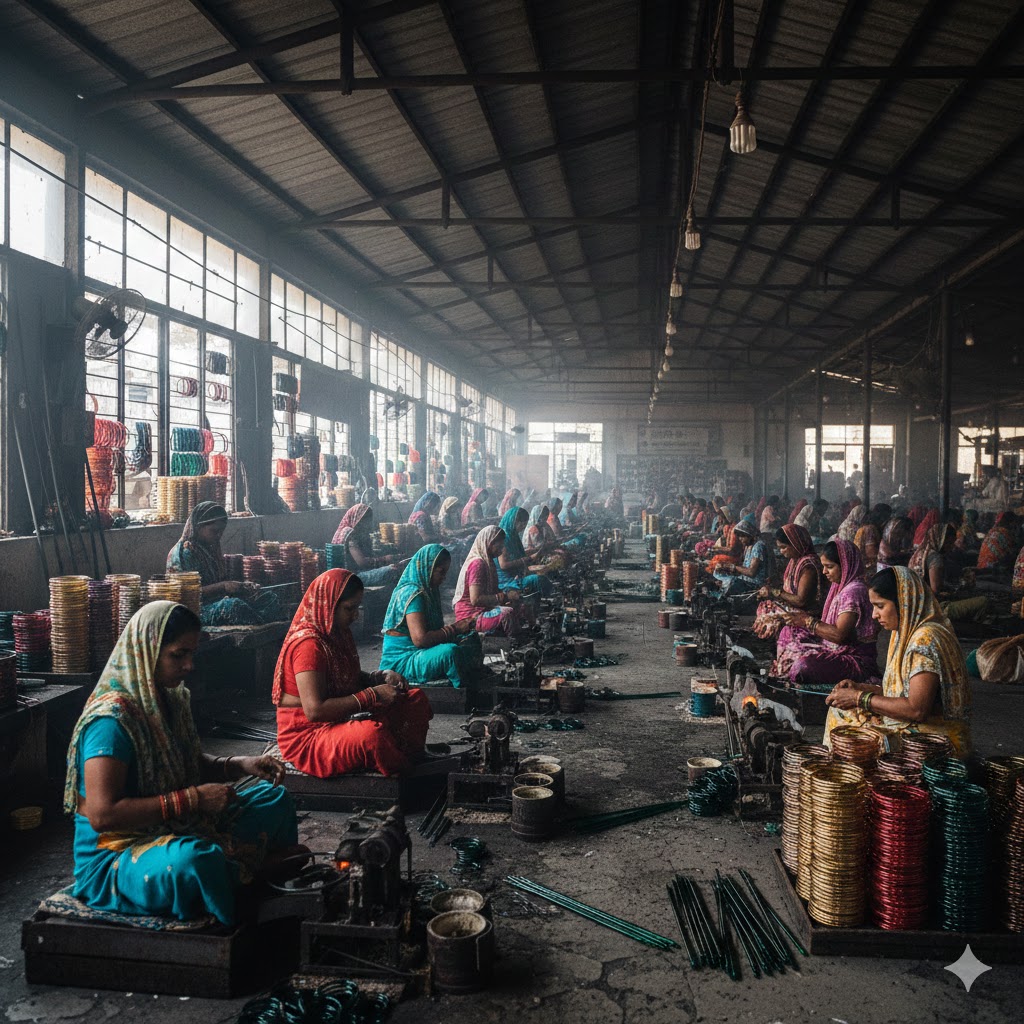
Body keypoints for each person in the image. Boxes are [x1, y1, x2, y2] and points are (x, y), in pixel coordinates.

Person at [65, 603, 297, 926]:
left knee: (277, 800)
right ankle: (246, 880)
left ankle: (242, 874)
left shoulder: (170, 698)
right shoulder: (110, 722)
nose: (189, 665)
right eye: (178, 655)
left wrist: (240, 764)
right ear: (146, 651)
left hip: (175, 824)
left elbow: (185, 765)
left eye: (192, 654)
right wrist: (194, 799)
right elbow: (103, 815)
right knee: (196, 861)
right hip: (118, 853)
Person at [274, 570, 432, 777]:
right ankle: (403, 770)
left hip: (337, 719)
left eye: (357, 607)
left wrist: (379, 677)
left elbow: (345, 677)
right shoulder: (308, 645)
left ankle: (399, 754)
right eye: (350, 608)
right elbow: (315, 711)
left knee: (414, 700)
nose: (356, 615)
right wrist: (373, 695)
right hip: (308, 735)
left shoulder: (336, 632)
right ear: (328, 605)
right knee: (371, 735)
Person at [824, 567, 971, 754]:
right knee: (844, 711)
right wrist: (862, 688)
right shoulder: (905, 632)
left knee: (849, 733)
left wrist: (858, 698)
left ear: (904, 602)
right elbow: (904, 691)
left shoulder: (925, 640)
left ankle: (851, 779)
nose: (874, 615)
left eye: (880, 606)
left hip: (938, 739)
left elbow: (917, 709)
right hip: (922, 725)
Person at [779, 540, 880, 687]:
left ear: (845, 566)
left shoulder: (854, 591)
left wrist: (808, 621)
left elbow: (840, 635)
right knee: (788, 631)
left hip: (855, 659)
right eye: (824, 566)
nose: (824, 572)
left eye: (829, 567)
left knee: (803, 666)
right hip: (834, 648)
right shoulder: (840, 587)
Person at [380, 546, 482, 688]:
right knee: (449, 653)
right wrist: (455, 628)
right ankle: (465, 693)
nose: (444, 578)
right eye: (441, 572)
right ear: (427, 567)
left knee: (470, 639)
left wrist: (460, 631)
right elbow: (421, 640)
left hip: (420, 653)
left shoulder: (429, 591)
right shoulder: (412, 594)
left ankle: (471, 678)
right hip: (403, 660)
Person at [167, 502, 282, 626]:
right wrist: (223, 586)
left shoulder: (210, 549)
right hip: (194, 611)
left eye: (221, 531)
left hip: (218, 602)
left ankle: (259, 623)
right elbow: (185, 594)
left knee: (270, 598)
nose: (218, 535)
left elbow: (222, 582)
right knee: (232, 606)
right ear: (198, 527)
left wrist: (242, 587)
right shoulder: (184, 552)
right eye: (214, 531)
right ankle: (260, 624)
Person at [909, 522, 990, 623]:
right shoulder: (935, 558)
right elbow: (936, 591)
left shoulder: (919, 553)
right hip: (933, 610)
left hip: (915, 606)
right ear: (941, 540)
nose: (951, 547)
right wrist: (959, 588)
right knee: (983, 601)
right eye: (949, 543)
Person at [754, 525, 822, 642]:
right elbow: (789, 586)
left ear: (796, 543)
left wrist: (775, 592)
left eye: (784, 547)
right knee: (765, 607)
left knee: (771, 620)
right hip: (793, 606)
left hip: (807, 612)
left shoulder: (808, 566)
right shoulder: (794, 560)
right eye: (780, 548)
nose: (781, 551)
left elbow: (801, 601)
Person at [453, 526, 521, 635]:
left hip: (482, 609)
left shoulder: (488, 561)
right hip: (470, 616)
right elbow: (476, 600)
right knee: (507, 613)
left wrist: (507, 597)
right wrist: (505, 597)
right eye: (500, 544)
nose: (502, 548)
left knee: (515, 606)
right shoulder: (478, 564)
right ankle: (515, 645)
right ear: (489, 542)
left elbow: (492, 591)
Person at [331, 504, 402, 587]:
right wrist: (385, 559)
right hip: (350, 578)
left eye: (368, 519)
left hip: (356, 573)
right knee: (393, 571)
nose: (366, 523)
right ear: (356, 518)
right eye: (364, 519)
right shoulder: (349, 533)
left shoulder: (358, 533)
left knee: (393, 569)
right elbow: (362, 562)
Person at [496, 506, 552, 598]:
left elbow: (518, 554)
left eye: (524, 525)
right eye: (521, 525)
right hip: (506, 581)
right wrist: (529, 558)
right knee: (539, 580)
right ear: (513, 521)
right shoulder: (503, 538)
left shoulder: (513, 536)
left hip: (515, 576)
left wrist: (537, 551)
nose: (522, 528)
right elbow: (504, 565)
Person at [712, 517, 770, 597]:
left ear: (749, 535)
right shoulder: (748, 546)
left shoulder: (758, 546)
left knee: (729, 588)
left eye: (742, 536)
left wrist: (734, 567)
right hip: (745, 580)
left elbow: (751, 572)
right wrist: (729, 569)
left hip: (754, 584)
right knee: (719, 573)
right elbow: (744, 568)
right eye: (739, 537)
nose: (740, 539)